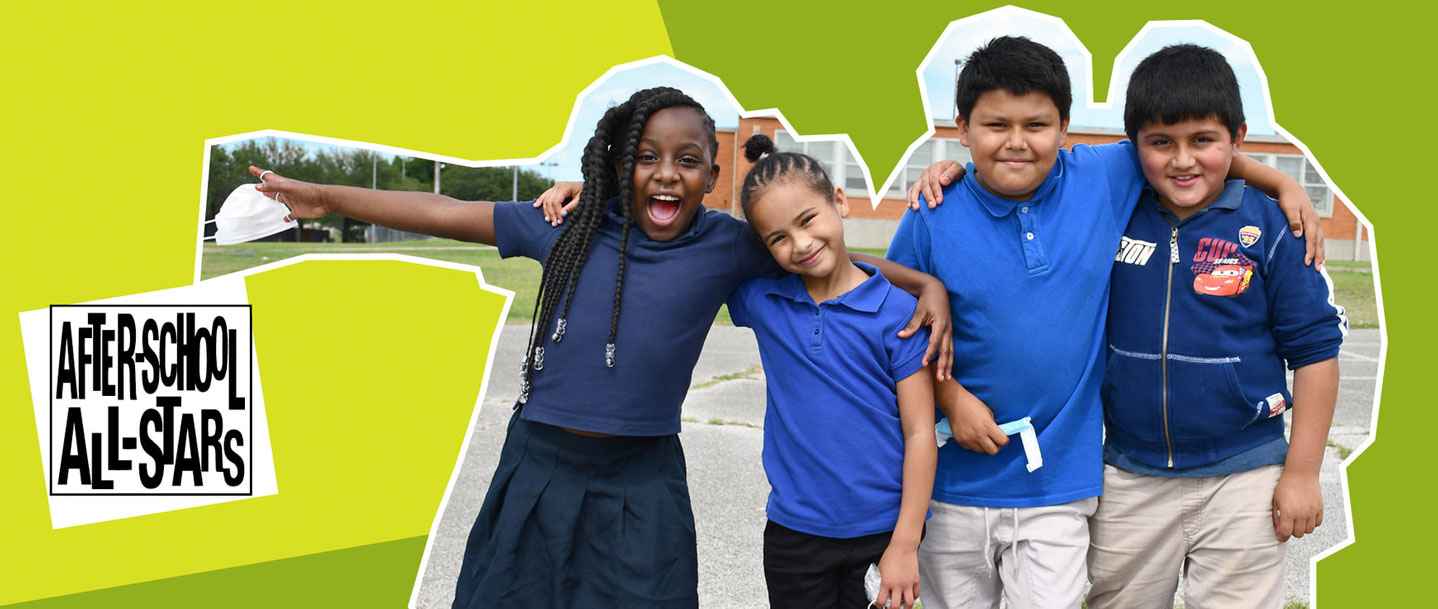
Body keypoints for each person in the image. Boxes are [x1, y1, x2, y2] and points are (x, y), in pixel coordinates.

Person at [251, 86, 951, 609]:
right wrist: (327, 196)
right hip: (540, 464)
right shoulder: (569, 224)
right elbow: (445, 212)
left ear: (713, 175)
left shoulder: (726, 246)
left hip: (642, 479)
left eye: (687, 160)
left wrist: (925, 285)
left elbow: (824, 258)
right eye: (645, 158)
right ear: (619, 164)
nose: (666, 173)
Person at [892, 37, 1325, 609]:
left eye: (1037, 125)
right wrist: (948, 395)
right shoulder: (934, 211)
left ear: (1066, 126)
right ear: (963, 127)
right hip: (961, 485)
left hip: (1066, 487)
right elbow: (893, 325)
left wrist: (1283, 182)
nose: (1017, 141)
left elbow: (1192, 145)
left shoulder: (1101, 176)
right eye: (996, 125)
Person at [1085, 44, 1346, 609]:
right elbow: (1028, 167)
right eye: (1161, 143)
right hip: (1130, 474)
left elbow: (1317, 354)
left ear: (1237, 137)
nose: (1182, 161)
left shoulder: (1275, 227)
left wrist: (1302, 473)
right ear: (1135, 148)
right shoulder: (1108, 208)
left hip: (1244, 474)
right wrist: (952, 166)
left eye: (1202, 141)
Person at [727, 134, 935, 609]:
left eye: (807, 220)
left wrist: (905, 542)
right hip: (796, 532)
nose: (800, 244)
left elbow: (921, 431)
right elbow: (690, 236)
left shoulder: (899, 313)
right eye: (778, 237)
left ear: (839, 201)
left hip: (885, 530)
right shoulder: (763, 300)